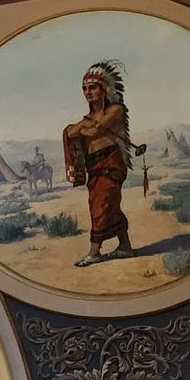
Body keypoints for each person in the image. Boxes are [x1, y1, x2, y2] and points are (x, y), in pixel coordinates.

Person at [62, 60, 144, 267]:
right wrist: (82, 125)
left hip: (111, 163)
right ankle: (125, 247)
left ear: (103, 89)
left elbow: (95, 131)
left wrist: (82, 127)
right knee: (110, 206)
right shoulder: (88, 117)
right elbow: (70, 131)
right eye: (84, 88)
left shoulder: (115, 110)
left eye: (92, 87)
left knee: (100, 206)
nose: (87, 92)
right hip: (94, 166)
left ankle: (94, 252)